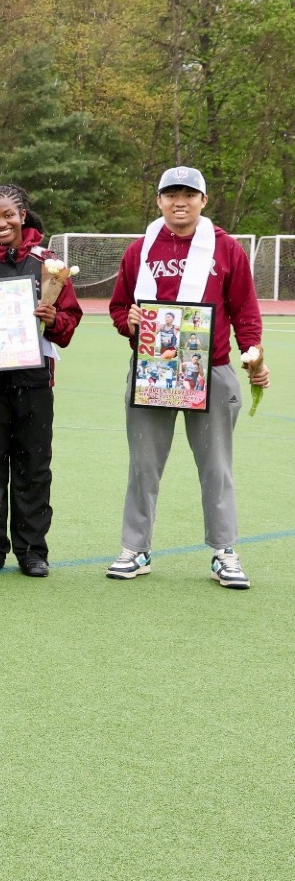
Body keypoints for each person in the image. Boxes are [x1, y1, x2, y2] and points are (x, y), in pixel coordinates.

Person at [107, 166, 266, 589]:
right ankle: (135, 548)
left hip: (209, 370)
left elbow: (245, 310)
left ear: (203, 200)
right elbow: (120, 307)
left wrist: (252, 355)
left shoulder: (226, 249)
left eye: (189, 194)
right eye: (171, 194)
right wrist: (131, 321)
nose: (181, 201)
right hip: (152, 369)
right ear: (158, 200)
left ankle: (224, 551)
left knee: (216, 467)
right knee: (144, 465)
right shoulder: (140, 250)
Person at [0, 183, 82, 576]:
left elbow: (69, 323)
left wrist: (53, 320)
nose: (1, 223)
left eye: (9, 215)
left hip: (35, 381)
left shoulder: (50, 264)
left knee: (34, 468)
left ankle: (32, 551)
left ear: (23, 215)